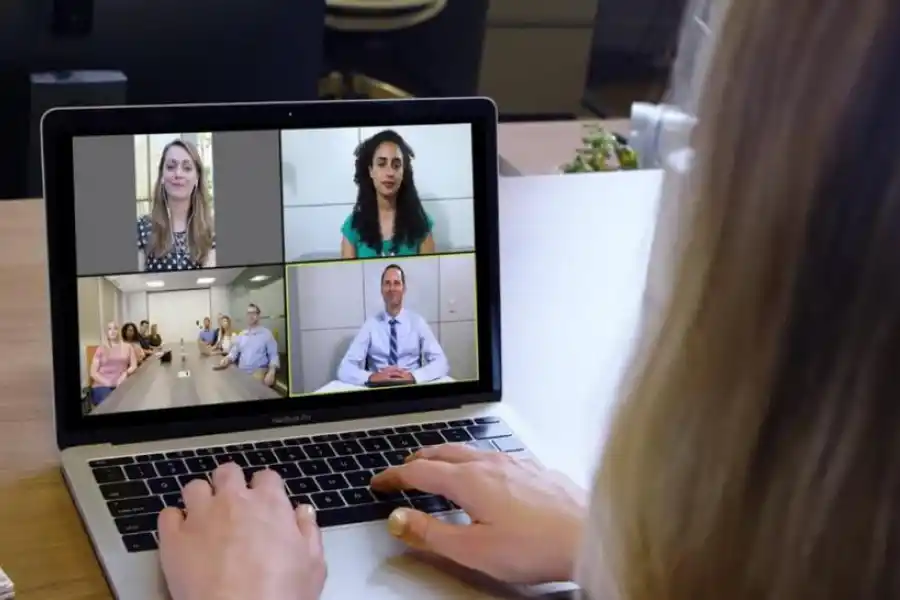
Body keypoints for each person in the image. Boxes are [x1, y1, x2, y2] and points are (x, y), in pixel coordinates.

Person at [159, 0, 900, 598]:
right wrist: (598, 545)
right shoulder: (349, 241)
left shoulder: (421, 259)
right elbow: (341, 376)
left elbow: (433, 368)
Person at [337, 264, 448, 385]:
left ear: (404, 289)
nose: (392, 288)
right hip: (379, 390)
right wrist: (372, 377)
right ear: (381, 289)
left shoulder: (417, 322)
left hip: (410, 387)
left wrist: (413, 376)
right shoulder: (370, 325)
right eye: (387, 283)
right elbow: (344, 369)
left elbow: (441, 363)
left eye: (396, 283)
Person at [340, 130, 436, 259]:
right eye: (381, 164)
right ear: (370, 171)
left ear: (403, 172)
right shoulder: (353, 226)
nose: (390, 172)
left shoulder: (421, 224)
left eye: (396, 165)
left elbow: (430, 275)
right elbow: (347, 277)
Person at [137, 138, 216, 272]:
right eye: (171, 167)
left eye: (187, 168)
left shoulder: (212, 229)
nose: (178, 174)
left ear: (197, 178)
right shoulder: (141, 228)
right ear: (162, 176)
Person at [218, 303, 279, 387]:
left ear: (258, 315)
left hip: (259, 373)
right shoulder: (242, 334)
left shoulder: (266, 334)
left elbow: (273, 355)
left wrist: (271, 372)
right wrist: (227, 359)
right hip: (241, 373)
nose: (251, 316)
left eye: (253, 313)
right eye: (248, 313)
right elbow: (234, 352)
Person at [88, 321, 138, 406]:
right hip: (102, 385)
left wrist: (125, 373)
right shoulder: (101, 348)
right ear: (106, 332)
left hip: (121, 383)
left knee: (131, 401)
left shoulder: (128, 347)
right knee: (110, 403)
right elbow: (93, 372)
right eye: (109, 329)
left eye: (115, 328)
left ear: (119, 331)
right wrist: (108, 383)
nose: (112, 331)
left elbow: (134, 365)